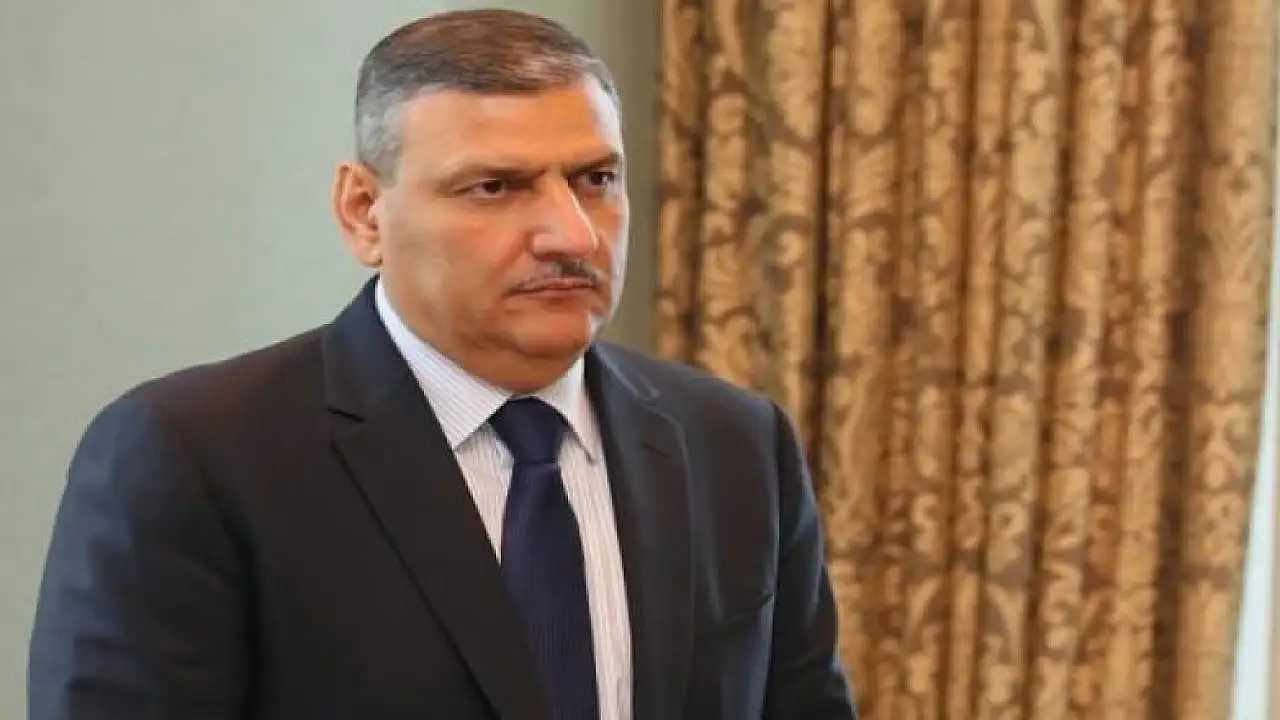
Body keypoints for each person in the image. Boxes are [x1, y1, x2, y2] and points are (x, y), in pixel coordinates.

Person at [27, 8, 857, 719]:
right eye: (495, 187)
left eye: (595, 178)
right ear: (364, 212)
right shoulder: (196, 457)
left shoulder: (735, 444)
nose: (572, 233)